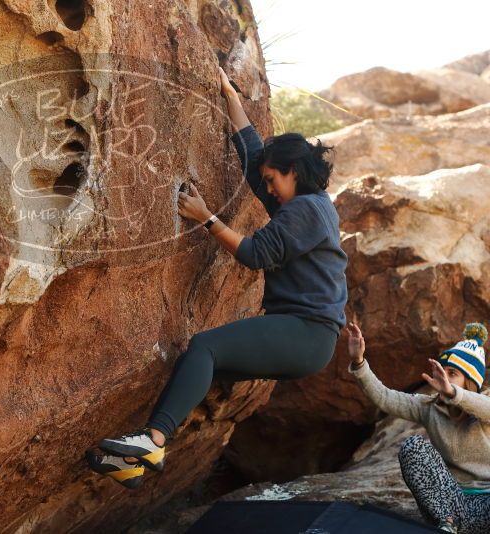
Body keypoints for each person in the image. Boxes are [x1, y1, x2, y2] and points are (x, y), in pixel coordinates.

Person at [85, 67, 348, 488]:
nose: (269, 188)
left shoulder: (307, 210)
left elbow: (255, 254)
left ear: (293, 171)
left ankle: (153, 441)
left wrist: (204, 217)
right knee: (201, 366)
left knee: (205, 347)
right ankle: (134, 465)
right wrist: (230, 97)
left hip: (307, 332)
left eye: (273, 180)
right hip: (307, 338)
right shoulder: (309, 206)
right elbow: (252, 160)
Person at [346, 320, 490, 533]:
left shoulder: (483, 405)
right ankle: (448, 526)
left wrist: (453, 393)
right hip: (447, 505)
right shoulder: (428, 407)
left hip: (485, 506)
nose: (442, 377)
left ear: (470, 382)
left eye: (452, 374)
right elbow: (385, 397)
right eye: (442, 370)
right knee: (413, 446)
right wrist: (359, 362)